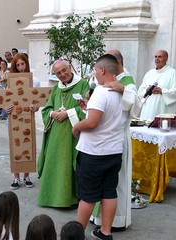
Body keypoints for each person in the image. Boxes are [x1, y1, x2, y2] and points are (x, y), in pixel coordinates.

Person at [72, 54, 127, 240]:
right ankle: (105, 232)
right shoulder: (124, 93)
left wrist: (77, 126)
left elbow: (93, 122)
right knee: (109, 192)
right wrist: (89, 107)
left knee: (88, 195)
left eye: (95, 70)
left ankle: (77, 234)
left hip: (94, 152)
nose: (95, 73)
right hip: (114, 151)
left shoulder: (101, 92)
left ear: (102, 70)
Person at [90, 49, 141, 231]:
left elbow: (137, 105)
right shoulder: (105, 80)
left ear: (118, 63)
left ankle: (116, 221)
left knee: (116, 182)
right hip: (103, 138)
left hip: (118, 139)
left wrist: (124, 90)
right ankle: (99, 219)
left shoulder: (127, 81)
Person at [37, 58, 89, 208]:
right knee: (54, 163)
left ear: (70, 68)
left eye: (64, 70)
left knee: (69, 164)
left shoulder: (82, 84)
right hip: (55, 135)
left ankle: (69, 199)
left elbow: (87, 108)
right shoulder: (56, 88)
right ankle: (50, 197)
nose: (62, 74)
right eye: (58, 73)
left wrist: (68, 113)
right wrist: (53, 113)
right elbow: (47, 108)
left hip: (72, 135)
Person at [5, 53, 40, 189]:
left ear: (27, 64)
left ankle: (26, 176)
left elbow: (37, 103)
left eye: (22, 64)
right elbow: (5, 100)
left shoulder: (35, 81)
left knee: (28, 146)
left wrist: (35, 107)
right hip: (14, 119)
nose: (20, 67)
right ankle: (16, 177)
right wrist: (6, 108)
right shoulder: (10, 82)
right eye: (18, 65)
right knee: (15, 147)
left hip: (27, 118)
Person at [138, 49, 176, 120]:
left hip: (162, 110)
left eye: (160, 57)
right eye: (155, 57)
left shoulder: (172, 73)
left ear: (166, 59)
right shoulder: (149, 73)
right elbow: (140, 92)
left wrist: (161, 91)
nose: (157, 59)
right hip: (148, 110)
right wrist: (148, 90)